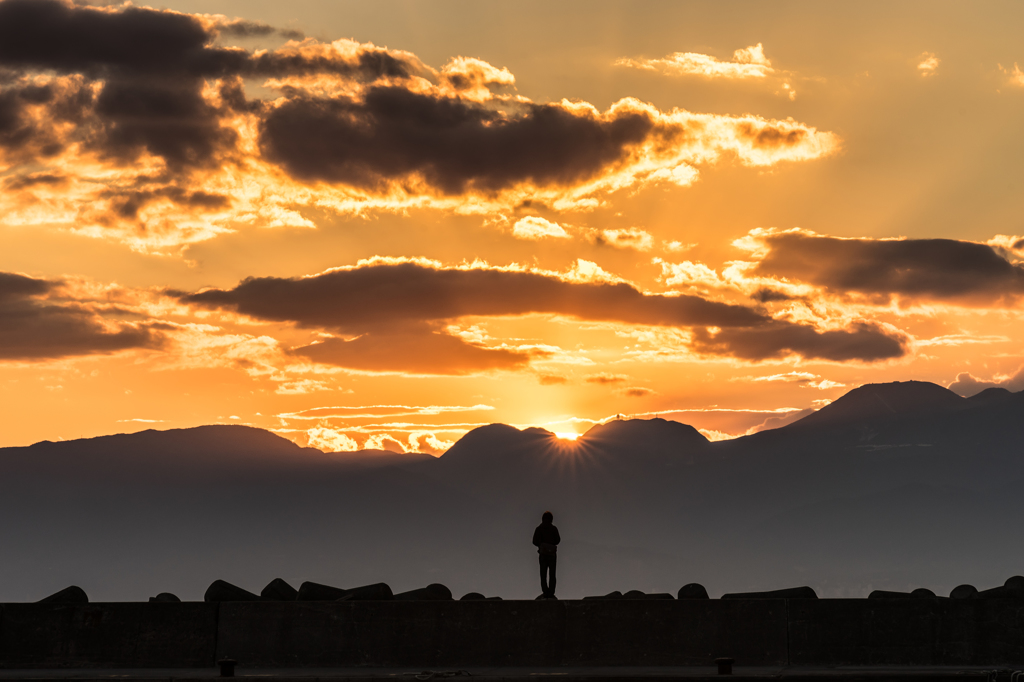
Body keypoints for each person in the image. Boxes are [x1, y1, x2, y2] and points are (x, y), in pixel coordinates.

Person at [532, 511, 560, 598]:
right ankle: (551, 592)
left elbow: (534, 541)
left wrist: (541, 545)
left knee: (543, 574)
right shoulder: (554, 529)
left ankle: (545, 591)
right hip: (552, 555)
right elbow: (557, 540)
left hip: (543, 554)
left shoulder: (539, 529)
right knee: (552, 573)